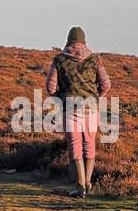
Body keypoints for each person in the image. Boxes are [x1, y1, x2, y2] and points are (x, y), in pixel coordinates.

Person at [45, 26, 111, 197]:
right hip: (92, 107)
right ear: (84, 41)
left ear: (68, 40)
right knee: (89, 144)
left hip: (70, 107)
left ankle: (80, 186)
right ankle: (88, 184)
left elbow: (51, 87)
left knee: (75, 145)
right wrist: (96, 97)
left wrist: (60, 96)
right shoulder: (95, 59)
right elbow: (106, 84)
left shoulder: (59, 60)